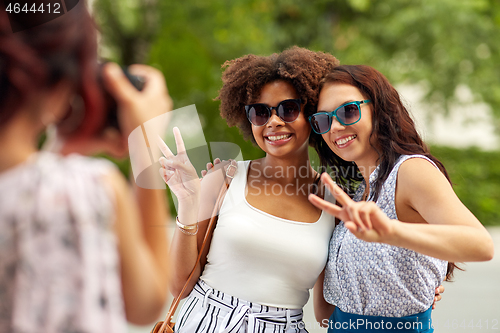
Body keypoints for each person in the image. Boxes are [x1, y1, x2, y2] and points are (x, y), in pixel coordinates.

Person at [0, 1, 172, 332]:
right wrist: (145, 146)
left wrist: (61, 151)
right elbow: (146, 302)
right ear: (64, 78)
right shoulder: (86, 192)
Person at [158, 46, 339, 333]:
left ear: (312, 113)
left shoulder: (335, 201)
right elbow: (180, 285)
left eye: (289, 109)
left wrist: (405, 299)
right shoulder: (224, 178)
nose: (274, 121)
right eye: (260, 112)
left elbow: (325, 312)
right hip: (206, 322)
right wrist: (188, 204)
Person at [307, 65, 494, 332]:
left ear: (379, 110)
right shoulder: (360, 193)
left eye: (348, 111)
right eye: (323, 120)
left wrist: (392, 232)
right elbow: (324, 315)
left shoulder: (410, 171)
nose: (336, 126)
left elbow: (482, 245)